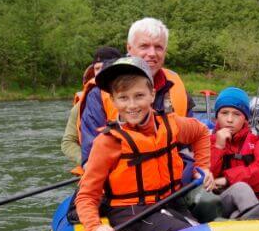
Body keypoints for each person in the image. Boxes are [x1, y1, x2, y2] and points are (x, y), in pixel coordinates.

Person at [75, 57, 213, 231]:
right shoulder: (107, 142)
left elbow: (201, 132)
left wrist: (203, 167)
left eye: (139, 96)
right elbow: (87, 195)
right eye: (123, 98)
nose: (132, 105)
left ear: (152, 94)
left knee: (204, 228)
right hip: (130, 214)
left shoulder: (171, 124)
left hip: (170, 202)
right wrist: (94, 227)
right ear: (114, 101)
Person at [78, 18, 194, 165]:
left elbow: (190, 142)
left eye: (158, 47)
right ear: (129, 48)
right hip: (121, 179)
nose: (152, 53)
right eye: (144, 46)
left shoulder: (175, 86)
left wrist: (194, 168)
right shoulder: (98, 93)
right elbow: (90, 155)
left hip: (172, 177)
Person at [207, 86, 259, 217]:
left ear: (245, 118)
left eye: (236, 114)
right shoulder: (207, 141)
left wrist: (227, 179)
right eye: (224, 113)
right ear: (217, 117)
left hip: (249, 202)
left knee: (238, 214)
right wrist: (218, 147)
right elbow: (204, 177)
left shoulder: (258, 141)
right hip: (218, 201)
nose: (230, 120)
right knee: (241, 188)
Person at [62, 45, 122, 163]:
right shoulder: (81, 105)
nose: (101, 72)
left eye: (106, 67)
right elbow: (68, 142)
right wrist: (87, 163)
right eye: (97, 68)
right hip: (94, 166)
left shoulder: (135, 97)